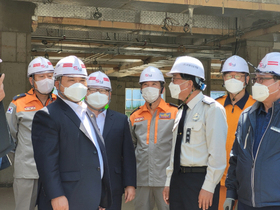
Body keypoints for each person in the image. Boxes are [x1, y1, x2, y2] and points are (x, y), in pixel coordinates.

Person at [32, 56, 111, 210]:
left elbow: (96, 155)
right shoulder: (48, 115)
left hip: (90, 196)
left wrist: (101, 197)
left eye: (82, 80)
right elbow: (46, 162)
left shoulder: (88, 113)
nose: (78, 85)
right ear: (58, 84)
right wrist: (56, 195)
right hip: (66, 199)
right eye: (71, 80)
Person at [162, 55, 227, 210]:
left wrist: (209, 187)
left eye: (175, 79)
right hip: (178, 180)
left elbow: (217, 155)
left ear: (189, 83)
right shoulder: (181, 111)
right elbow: (175, 152)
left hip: (199, 181)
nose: (172, 84)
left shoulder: (212, 109)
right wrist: (169, 182)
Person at [224, 52, 280, 210]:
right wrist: (230, 193)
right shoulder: (247, 116)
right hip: (245, 202)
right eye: (257, 78)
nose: (257, 83)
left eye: (263, 79)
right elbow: (236, 157)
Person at [6, 57, 56, 210]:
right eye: (41, 76)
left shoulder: (58, 103)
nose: (46, 80)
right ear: (31, 80)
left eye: (50, 76)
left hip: (54, 172)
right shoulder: (18, 103)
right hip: (27, 172)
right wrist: (22, 159)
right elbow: (9, 139)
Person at [85, 71, 136, 210]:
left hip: (113, 185)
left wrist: (130, 184)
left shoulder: (120, 120)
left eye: (103, 90)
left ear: (110, 95)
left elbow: (128, 155)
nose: (98, 93)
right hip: (84, 186)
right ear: (85, 93)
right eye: (93, 90)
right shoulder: (78, 119)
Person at [129, 66, 178, 210]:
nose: (149, 88)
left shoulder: (175, 113)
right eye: (145, 85)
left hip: (166, 181)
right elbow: (130, 148)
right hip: (142, 180)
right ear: (141, 89)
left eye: (154, 84)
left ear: (162, 89)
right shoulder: (135, 116)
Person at [216, 55, 255, 210]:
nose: (232, 79)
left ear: (246, 79)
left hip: (246, 181)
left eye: (237, 75)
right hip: (218, 180)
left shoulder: (256, 106)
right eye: (228, 75)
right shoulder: (215, 105)